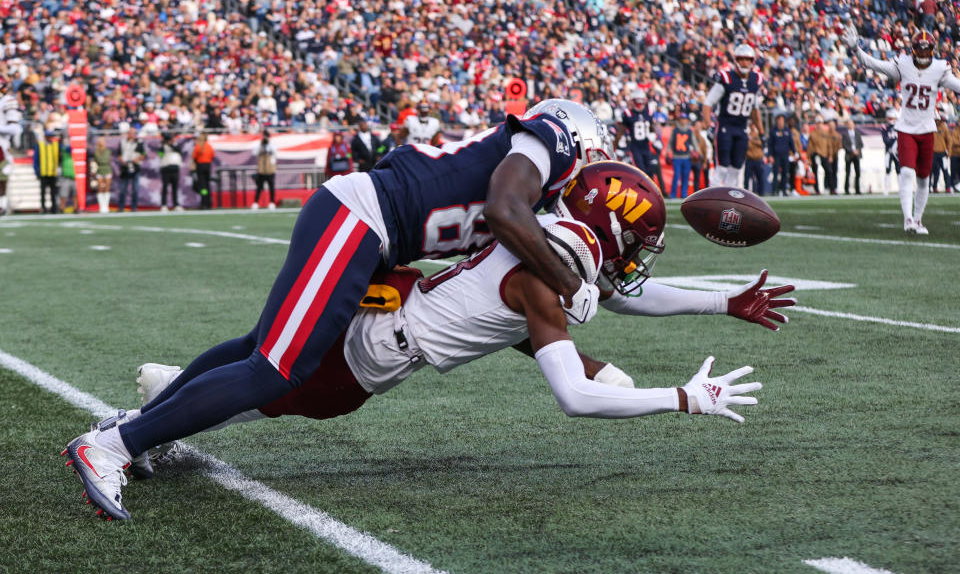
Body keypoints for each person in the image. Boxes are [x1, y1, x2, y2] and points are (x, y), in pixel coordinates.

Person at [82, 163, 794, 496]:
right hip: (373, 355)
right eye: (638, 238)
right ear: (610, 229)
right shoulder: (549, 276)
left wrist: (722, 303)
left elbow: (620, 296)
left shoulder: (553, 237)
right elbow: (575, 397)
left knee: (255, 355)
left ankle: (151, 411)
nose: (641, 254)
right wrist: (684, 398)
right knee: (262, 386)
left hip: (394, 304)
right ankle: (138, 426)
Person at [63, 99, 613, 520]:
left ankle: (139, 427)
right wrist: (570, 282)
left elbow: (508, 296)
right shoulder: (550, 141)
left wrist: (580, 349)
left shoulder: (530, 196)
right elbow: (501, 207)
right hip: (362, 219)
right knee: (279, 368)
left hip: (371, 233)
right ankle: (110, 447)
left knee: (263, 347)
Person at [845, 26, 960, 233]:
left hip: (927, 128)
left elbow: (956, 85)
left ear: (932, 51)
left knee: (924, 177)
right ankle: (908, 219)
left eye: (927, 50)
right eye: (921, 50)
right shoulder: (903, 65)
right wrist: (856, 50)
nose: (924, 54)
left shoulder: (938, 69)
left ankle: (918, 219)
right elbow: (874, 64)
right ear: (914, 50)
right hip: (906, 127)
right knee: (907, 172)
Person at [702, 44, 765, 188]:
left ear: (752, 61)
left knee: (736, 168)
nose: (744, 62)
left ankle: (728, 201)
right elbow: (708, 103)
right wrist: (707, 124)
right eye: (741, 59)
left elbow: (755, 109)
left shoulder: (755, 80)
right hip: (725, 126)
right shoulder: (727, 78)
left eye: (747, 59)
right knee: (722, 167)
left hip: (742, 128)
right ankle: (713, 197)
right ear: (736, 60)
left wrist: (761, 131)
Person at [615, 90, 660, 175]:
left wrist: (656, 138)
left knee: (650, 173)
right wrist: (615, 145)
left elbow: (652, 128)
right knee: (640, 173)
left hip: (646, 146)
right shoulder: (628, 113)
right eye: (638, 101)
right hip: (635, 147)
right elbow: (621, 131)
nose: (640, 104)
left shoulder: (648, 112)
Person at [0, 74, 23, 216]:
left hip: (1, 146)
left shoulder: (7, 101)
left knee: (1, 178)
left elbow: (15, 128)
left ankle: (1, 206)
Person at [116, 127, 145, 212]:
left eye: (134, 133)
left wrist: (137, 159)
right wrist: (122, 160)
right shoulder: (123, 142)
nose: (132, 135)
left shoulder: (139, 143)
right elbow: (119, 154)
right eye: (131, 133)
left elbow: (144, 154)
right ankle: (121, 207)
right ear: (128, 134)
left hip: (135, 166)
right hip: (125, 167)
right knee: (122, 189)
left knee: (135, 189)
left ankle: (134, 207)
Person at [33, 127, 60, 213]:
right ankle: (43, 208)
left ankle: (54, 208)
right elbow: (35, 160)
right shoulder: (40, 146)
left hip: (52, 172)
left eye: (50, 136)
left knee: (53, 192)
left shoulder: (56, 145)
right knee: (43, 192)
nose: (49, 138)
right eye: (48, 136)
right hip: (43, 172)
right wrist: (37, 171)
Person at [767, 115, 795, 196]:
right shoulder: (773, 131)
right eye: (779, 120)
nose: (780, 122)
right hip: (776, 155)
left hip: (785, 155)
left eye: (782, 120)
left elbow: (791, 142)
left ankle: (784, 190)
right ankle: (774, 191)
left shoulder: (787, 130)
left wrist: (795, 152)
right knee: (775, 173)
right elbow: (770, 144)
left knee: (785, 173)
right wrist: (770, 155)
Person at [668, 113, 694, 199]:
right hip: (676, 156)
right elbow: (670, 142)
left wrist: (698, 152)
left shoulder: (689, 131)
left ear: (687, 120)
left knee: (685, 176)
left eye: (684, 119)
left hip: (687, 157)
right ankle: (673, 194)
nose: (683, 120)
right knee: (676, 176)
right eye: (682, 119)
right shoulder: (675, 130)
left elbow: (694, 143)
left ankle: (684, 194)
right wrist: (668, 152)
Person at [251, 129, 277, 209]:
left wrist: (268, 143)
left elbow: (274, 152)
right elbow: (254, 152)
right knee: (259, 187)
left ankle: (272, 202)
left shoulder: (272, 144)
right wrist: (261, 144)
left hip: (270, 169)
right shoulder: (260, 145)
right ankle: (256, 202)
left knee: (271, 187)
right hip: (262, 169)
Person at [158, 131, 183, 212]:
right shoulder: (163, 146)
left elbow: (178, 150)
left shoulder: (176, 145)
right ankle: (164, 204)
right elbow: (160, 154)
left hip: (175, 168)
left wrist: (171, 144)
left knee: (175, 188)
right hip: (166, 168)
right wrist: (164, 144)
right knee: (165, 187)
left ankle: (176, 204)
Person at [191, 132, 214, 210]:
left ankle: (204, 202)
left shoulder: (198, 147)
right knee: (207, 185)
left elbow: (194, 157)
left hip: (200, 166)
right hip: (207, 166)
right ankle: (208, 202)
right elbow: (212, 156)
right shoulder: (209, 146)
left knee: (203, 186)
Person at [880, 108, 900, 196]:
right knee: (887, 170)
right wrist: (893, 144)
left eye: (892, 118)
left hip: (896, 152)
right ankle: (887, 188)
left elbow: (900, 140)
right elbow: (885, 140)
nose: (891, 120)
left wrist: (895, 145)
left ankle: (901, 188)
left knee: (899, 170)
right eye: (889, 118)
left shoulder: (899, 127)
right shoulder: (885, 128)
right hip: (888, 151)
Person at [841, 119, 864, 195]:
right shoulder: (845, 134)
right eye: (849, 124)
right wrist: (851, 151)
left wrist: (857, 151)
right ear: (847, 125)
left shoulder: (857, 133)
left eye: (852, 124)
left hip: (857, 155)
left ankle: (857, 189)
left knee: (858, 173)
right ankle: (846, 189)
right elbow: (844, 145)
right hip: (849, 155)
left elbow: (861, 144)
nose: (850, 125)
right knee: (848, 173)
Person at [91, 137, 113, 213]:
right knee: (100, 187)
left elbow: (107, 159)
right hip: (99, 169)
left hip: (107, 169)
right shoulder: (96, 152)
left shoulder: (108, 151)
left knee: (107, 187)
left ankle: (106, 206)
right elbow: (98, 160)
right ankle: (101, 206)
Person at [930, 117, 951, 193]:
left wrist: (949, 152)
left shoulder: (944, 128)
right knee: (932, 171)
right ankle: (932, 187)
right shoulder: (931, 128)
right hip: (933, 153)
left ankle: (948, 187)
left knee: (945, 171)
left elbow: (949, 140)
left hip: (942, 153)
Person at [690, 115, 710, 192]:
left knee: (697, 178)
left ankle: (696, 193)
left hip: (698, 161)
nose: (698, 127)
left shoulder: (702, 139)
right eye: (697, 126)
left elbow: (705, 151)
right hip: (690, 159)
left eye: (699, 126)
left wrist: (705, 162)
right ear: (694, 126)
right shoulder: (690, 135)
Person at [743, 130, 766, 196]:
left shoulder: (759, 134)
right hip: (749, 159)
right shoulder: (747, 134)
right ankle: (745, 194)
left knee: (760, 178)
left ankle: (761, 193)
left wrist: (752, 140)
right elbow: (746, 145)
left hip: (758, 159)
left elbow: (762, 143)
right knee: (747, 178)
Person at [59, 137, 77, 213]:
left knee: (76, 194)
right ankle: (62, 208)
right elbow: (68, 149)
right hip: (66, 175)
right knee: (64, 194)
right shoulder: (64, 149)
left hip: (75, 175)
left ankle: (76, 208)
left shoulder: (76, 152)